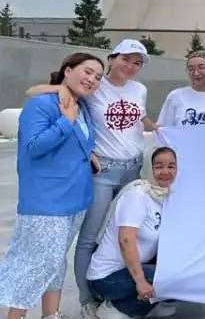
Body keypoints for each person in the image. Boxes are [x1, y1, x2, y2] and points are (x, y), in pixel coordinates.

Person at [0, 53, 100, 319]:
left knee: (55, 263)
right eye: (87, 71)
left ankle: (51, 314)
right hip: (46, 201)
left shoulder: (84, 106)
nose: (92, 79)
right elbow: (33, 147)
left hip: (75, 200)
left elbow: (80, 140)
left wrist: (89, 154)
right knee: (34, 265)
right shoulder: (42, 105)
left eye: (97, 77)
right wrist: (65, 122)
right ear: (67, 70)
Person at [76, 39, 152, 314]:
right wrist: (86, 149)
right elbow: (71, 111)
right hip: (103, 171)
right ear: (112, 58)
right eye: (126, 59)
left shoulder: (139, 89)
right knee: (90, 236)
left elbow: (141, 120)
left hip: (133, 168)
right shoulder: (95, 87)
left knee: (127, 232)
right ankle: (88, 299)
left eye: (137, 62)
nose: (131, 66)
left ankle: (119, 293)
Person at [86, 147, 177, 319]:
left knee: (182, 273)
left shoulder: (163, 197)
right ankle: (116, 307)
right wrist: (141, 281)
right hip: (108, 276)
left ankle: (140, 305)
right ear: (149, 168)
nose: (165, 171)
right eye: (158, 166)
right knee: (171, 278)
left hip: (130, 270)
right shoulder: (138, 195)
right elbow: (126, 240)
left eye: (171, 166)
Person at [157, 50, 205, 128]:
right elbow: (164, 129)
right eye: (191, 69)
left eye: (201, 67)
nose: (196, 73)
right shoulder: (176, 96)